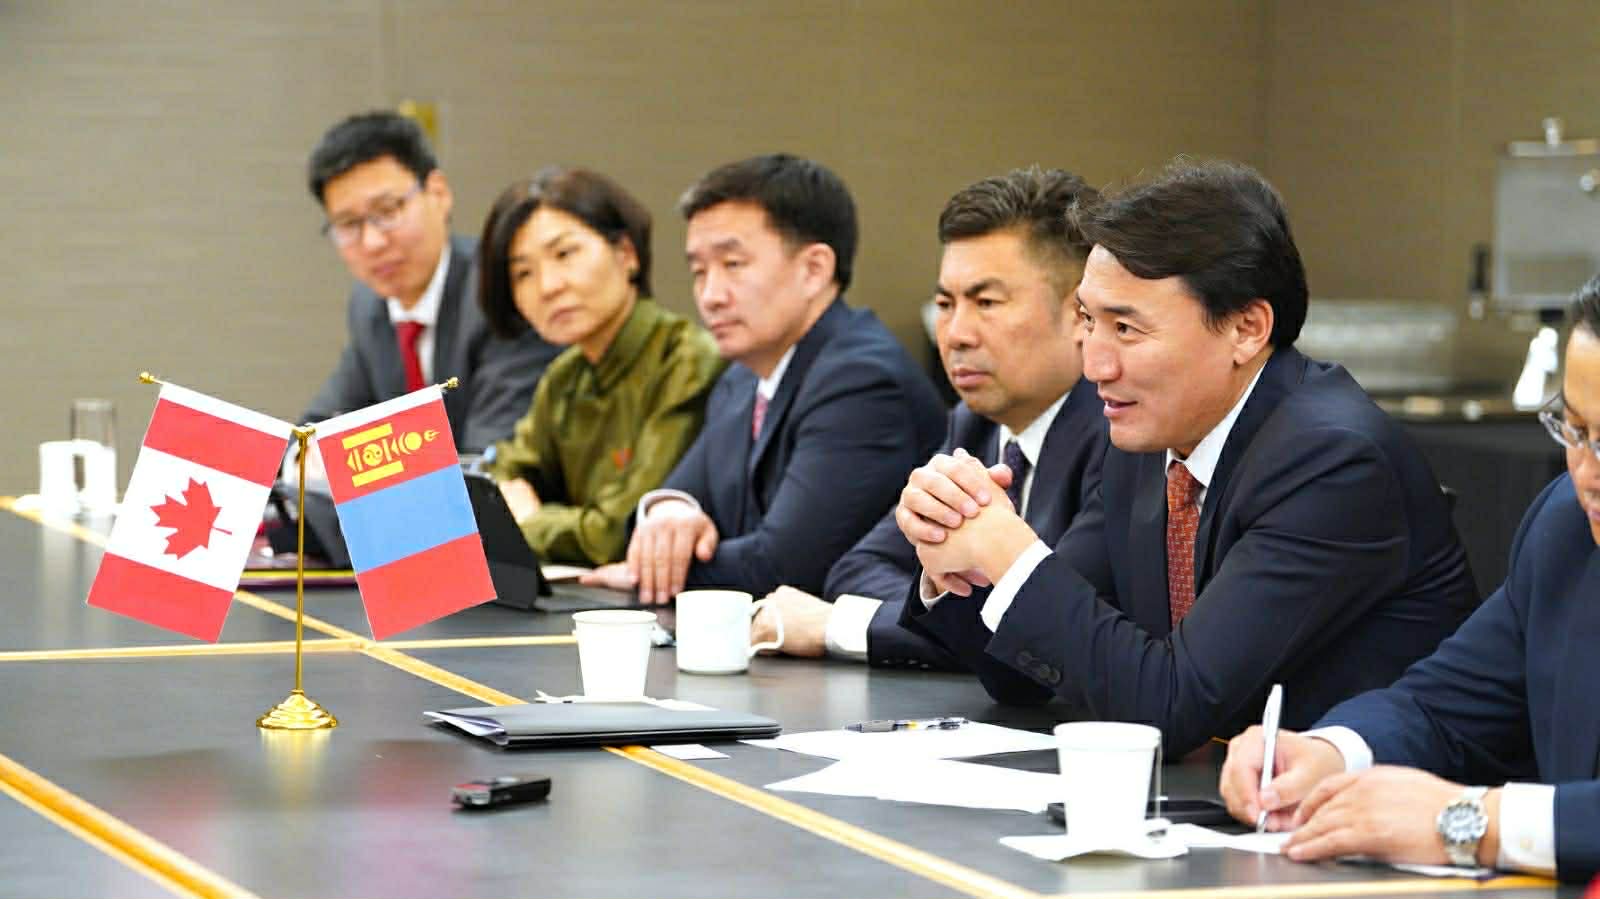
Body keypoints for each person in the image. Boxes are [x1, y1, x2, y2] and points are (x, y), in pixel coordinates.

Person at [894, 159, 1478, 755]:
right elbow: (1022, 674)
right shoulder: (1149, 438)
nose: (1095, 365)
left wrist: (1008, 551)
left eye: (1126, 329)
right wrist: (957, 551)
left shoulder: (1332, 461)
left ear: (1246, 328)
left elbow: (1173, 705)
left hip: (1360, 797)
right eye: (1089, 321)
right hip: (1217, 788)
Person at [1215, 275, 1600, 883]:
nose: (1587, 473)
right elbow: (1443, 707)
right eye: (1577, 431)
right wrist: (1327, 754)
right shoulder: (1567, 530)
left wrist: (1473, 823)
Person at [750, 167, 1106, 665]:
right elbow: (860, 567)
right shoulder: (973, 424)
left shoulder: (1118, 436)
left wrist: (841, 626)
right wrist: (942, 608)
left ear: (1079, 314)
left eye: (986, 302)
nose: (956, 333)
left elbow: (1045, 629)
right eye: (944, 303)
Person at [582, 154, 946, 603]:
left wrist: (652, 568)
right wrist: (669, 510)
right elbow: (682, 490)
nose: (710, 296)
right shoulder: (741, 379)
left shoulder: (862, 380)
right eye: (699, 271)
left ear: (814, 269)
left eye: (733, 264)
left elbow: (785, 566)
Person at [476, 168, 724, 565]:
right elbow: (501, 474)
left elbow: (618, 532)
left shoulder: (686, 360)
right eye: (523, 273)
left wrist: (530, 522)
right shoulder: (565, 376)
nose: (548, 286)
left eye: (564, 254)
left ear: (627, 254)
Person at [301, 111, 558, 454]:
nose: (372, 242)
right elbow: (319, 428)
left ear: (438, 193)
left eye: (388, 211)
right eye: (348, 224)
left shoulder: (499, 292)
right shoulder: (370, 305)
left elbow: (490, 457)